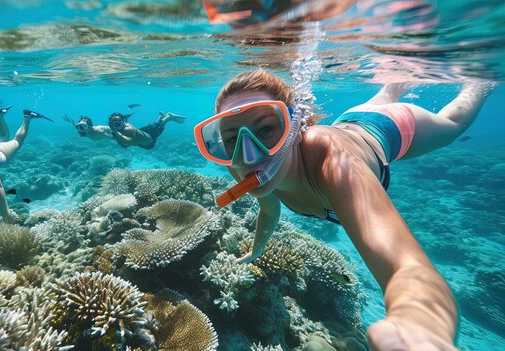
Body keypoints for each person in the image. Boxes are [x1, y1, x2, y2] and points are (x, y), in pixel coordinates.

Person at [193, 69, 495, 351]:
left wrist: (420, 323)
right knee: (386, 94)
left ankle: (482, 81)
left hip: (394, 127)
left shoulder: (335, 163)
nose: (249, 154)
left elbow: (405, 267)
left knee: (454, 124)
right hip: (350, 119)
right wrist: (257, 250)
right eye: (232, 138)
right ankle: (393, 83)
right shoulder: (241, 166)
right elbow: (269, 210)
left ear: (296, 127)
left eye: (267, 128)